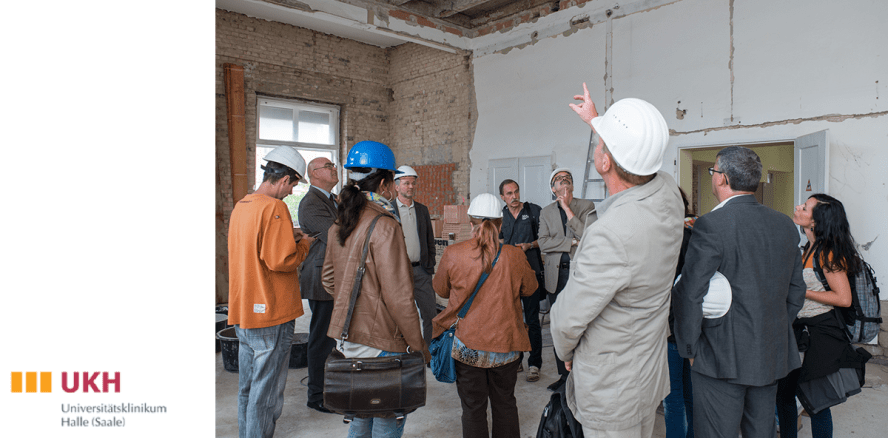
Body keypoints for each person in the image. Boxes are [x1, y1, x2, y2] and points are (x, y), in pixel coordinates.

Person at [551, 83, 685, 437]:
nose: (597, 146)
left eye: (600, 144)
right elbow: (642, 163)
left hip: (613, 392)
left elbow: (566, 322)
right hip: (647, 376)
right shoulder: (669, 195)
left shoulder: (611, 234)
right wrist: (597, 121)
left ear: (605, 161)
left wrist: (566, 353)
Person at [673, 145, 806, 438]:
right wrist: (771, 328)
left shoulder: (712, 224)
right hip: (769, 352)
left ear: (722, 178)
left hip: (719, 354)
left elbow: (690, 292)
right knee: (761, 431)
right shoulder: (784, 224)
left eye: (713, 171)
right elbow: (797, 290)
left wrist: (690, 348)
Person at [322, 140, 428, 438]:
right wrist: (419, 346)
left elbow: (329, 280)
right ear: (384, 183)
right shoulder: (385, 225)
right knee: (387, 416)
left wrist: (356, 306)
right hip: (383, 341)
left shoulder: (340, 222)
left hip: (348, 337)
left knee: (360, 411)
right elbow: (399, 297)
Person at [432, 193, 538, 438]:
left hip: (467, 345)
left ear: (471, 224)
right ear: (501, 224)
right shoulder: (514, 255)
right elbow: (531, 289)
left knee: (472, 408)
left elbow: (441, 290)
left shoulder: (454, 253)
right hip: (506, 344)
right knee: (505, 404)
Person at [228, 146, 313, 438]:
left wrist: (289, 235)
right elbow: (281, 260)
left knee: (248, 387)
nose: (291, 192)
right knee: (266, 393)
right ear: (285, 178)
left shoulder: (243, 205)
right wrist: (304, 245)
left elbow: (255, 247)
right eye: (293, 185)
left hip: (244, 310)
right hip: (271, 312)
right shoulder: (274, 208)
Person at [776, 194, 871, 438]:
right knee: (784, 397)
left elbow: (843, 298)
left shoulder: (827, 253)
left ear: (816, 221)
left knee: (817, 403)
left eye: (805, 207)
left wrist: (801, 291)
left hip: (821, 335)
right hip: (800, 332)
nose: (798, 207)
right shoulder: (808, 248)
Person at [537, 166, 596, 391]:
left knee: (581, 325)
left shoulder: (586, 206)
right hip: (556, 276)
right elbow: (543, 243)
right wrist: (571, 243)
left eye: (568, 178)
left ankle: (582, 377)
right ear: (553, 189)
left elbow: (588, 235)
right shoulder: (546, 212)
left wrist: (567, 209)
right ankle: (564, 377)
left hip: (578, 274)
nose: (564, 181)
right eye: (559, 179)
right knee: (559, 327)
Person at [297, 156, 340, 414]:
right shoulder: (311, 203)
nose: (334, 169)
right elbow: (337, 235)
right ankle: (317, 396)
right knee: (321, 339)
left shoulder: (333, 200)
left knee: (332, 338)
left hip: (335, 277)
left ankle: (332, 389)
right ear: (314, 173)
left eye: (333, 165)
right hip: (321, 277)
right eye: (328, 166)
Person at [498, 179, 544, 383]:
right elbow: (499, 241)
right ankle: (516, 360)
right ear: (503, 197)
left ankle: (534, 364)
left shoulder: (534, 211)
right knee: (513, 319)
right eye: (509, 194)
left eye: (516, 192)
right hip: (509, 275)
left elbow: (545, 238)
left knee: (532, 320)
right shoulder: (501, 216)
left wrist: (529, 245)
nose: (514, 196)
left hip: (531, 273)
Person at [392, 165, 437, 348]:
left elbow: (429, 239)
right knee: (399, 315)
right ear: (396, 186)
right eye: (406, 183)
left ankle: (429, 353)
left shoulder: (422, 210)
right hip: (398, 273)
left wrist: (430, 265)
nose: (410, 186)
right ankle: (402, 352)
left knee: (430, 314)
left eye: (413, 183)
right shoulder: (389, 210)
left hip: (421, 271)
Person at [665, 187, 696, 438]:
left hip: (671, 325)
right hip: (693, 324)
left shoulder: (668, 238)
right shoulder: (693, 233)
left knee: (672, 395)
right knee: (690, 393)